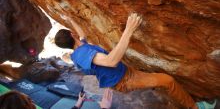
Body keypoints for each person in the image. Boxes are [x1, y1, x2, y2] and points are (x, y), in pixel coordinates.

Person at [54, 13, 216, 109]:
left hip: (125, 73)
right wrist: (129, 29)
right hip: (125, 80)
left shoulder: (78, 51)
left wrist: (70, 19)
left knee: (162, 83)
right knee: (168, 80)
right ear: (71, 35)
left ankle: (182, 102)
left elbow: (82, 35)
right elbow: (111, 61)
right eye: (73, 32)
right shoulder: (83, 54)